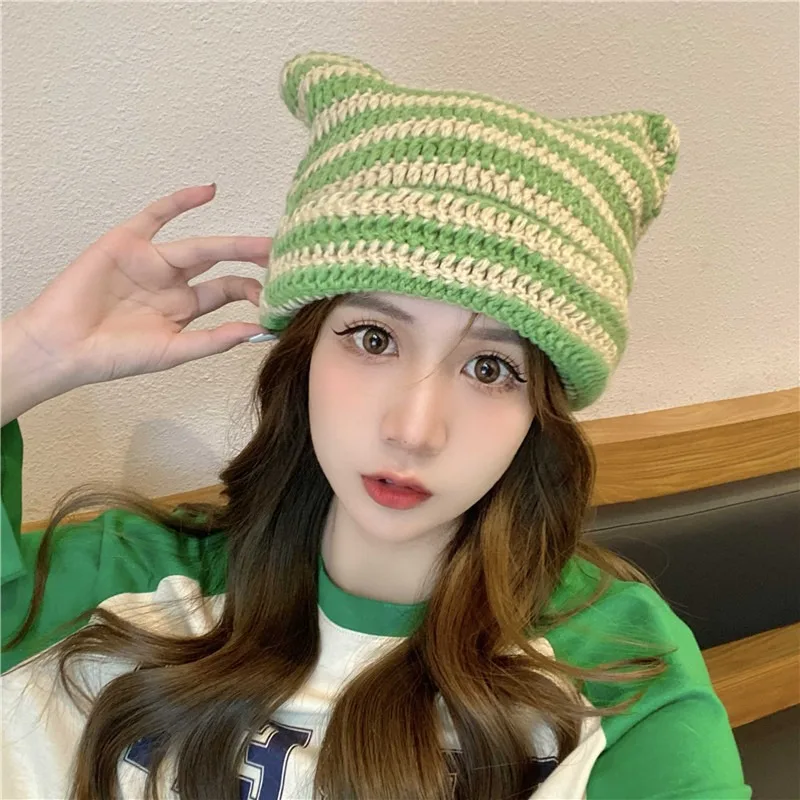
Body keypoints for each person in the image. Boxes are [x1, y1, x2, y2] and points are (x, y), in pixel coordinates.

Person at [1, 51, 750, 800]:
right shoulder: (132, 581)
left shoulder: (612, 667)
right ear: (304, 354)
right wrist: (29, 358)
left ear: (540, 410)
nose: (414, 430)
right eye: (374, 338)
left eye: (491, 367)